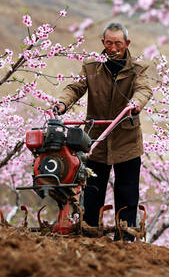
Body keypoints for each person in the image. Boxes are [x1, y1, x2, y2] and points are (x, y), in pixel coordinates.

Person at [54, 22, 152, 240]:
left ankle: (125, 237)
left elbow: (144, 89)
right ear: (103, 43)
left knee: (127, 192)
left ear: (127, 43)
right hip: (96, 138)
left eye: (118, 43)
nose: (113, 48)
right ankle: (89, 233)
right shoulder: (92, 66)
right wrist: (62, 103)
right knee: (92, 190)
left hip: (126, 138)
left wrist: (136, 104)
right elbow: (76, 88)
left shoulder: (137, 68)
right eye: (109, 43)